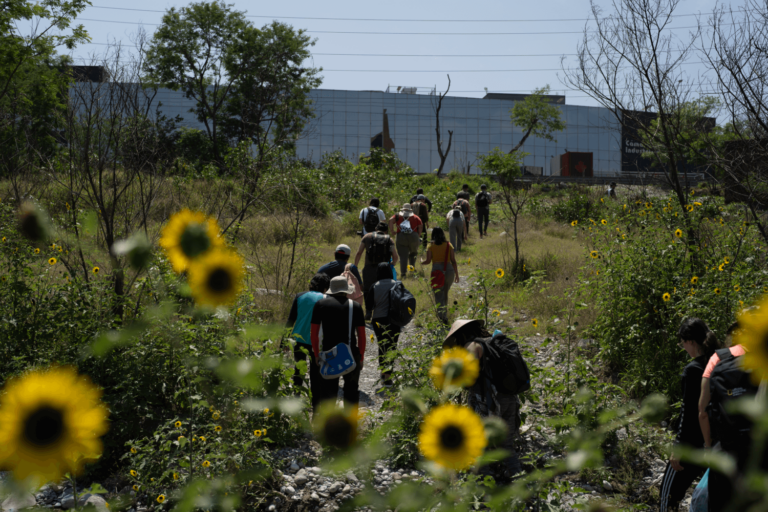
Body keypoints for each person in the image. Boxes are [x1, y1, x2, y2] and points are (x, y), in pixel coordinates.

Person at [443, 319, 524, 476]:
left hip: (488, 403)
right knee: (506, 445)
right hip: (509, 398)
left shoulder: (471, 346)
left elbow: (469, 379)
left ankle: (483, 487)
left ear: (460, 335)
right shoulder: (494, 341)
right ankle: (520, 483)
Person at [658, 318, 722, 512]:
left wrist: (677, 447)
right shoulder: (721, 363)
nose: (683, 347)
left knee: (667, 498)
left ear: (691, 342)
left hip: (693, 445)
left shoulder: (693, 370)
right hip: (718, 445)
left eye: (683, 343)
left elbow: (689, 413)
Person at [310, 276, 367, 410]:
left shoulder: (320, 305)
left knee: (328, 392)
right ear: (347, 291)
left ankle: (329, 425)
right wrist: (361, 356)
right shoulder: (356, 307)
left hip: (328, 354)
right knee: (351, 390)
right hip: (351, 353)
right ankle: (350, 424)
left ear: (331, 290)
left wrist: (316, 354)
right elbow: (362, 336)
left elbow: (314, 334)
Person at [286, 273, 330, 410]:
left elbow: (291, 320)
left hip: (298, 339)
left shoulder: (299, 296)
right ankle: (316, 405)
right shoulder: (326, 299)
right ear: (326, 287)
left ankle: (296, 400)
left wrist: (284, 341)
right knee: (315, 375)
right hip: (317, 341)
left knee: (298, 371)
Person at [365, 262, 401, 389]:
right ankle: (388, 375)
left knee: (382, 345)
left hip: (378, 320)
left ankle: (384, 373)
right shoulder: (397, 284)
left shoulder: (374, 286)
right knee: (392, 345)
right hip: (395, 320)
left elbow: (369, 306)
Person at [354, 222, 398, 320]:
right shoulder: (389, 239)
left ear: (375, 228)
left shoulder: (367, 237)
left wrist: (355, 266)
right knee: (384, 290)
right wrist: (391, 265)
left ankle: (368, 312)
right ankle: (382, 312)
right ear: (386, 230)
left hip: (369, 268)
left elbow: (359, 253)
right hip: (384, 270)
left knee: (367, 290)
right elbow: (395, 256)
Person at [421, 227, 459, 323]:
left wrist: (422, 261)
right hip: (449, 270)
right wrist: (457, 275)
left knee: (438, 294)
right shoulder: (448, 245)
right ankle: (444, 315)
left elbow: (428, 261)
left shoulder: (430, 245)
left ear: (432, 235)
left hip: (437, 271)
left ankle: (442, 317)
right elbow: (453, 261)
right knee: (445, 293)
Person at [388, 203, 423, 279]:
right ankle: (412, 269)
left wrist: (392, 231)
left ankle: (403, 273)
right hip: (413, 236)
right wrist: (418, 235)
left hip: (401, 236)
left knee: (403, 256)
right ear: (411, 210)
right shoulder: (415, 217)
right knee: (413, 253)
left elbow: (390, 220)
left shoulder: (397, 216)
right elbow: (420, 226)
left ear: (402, 209)